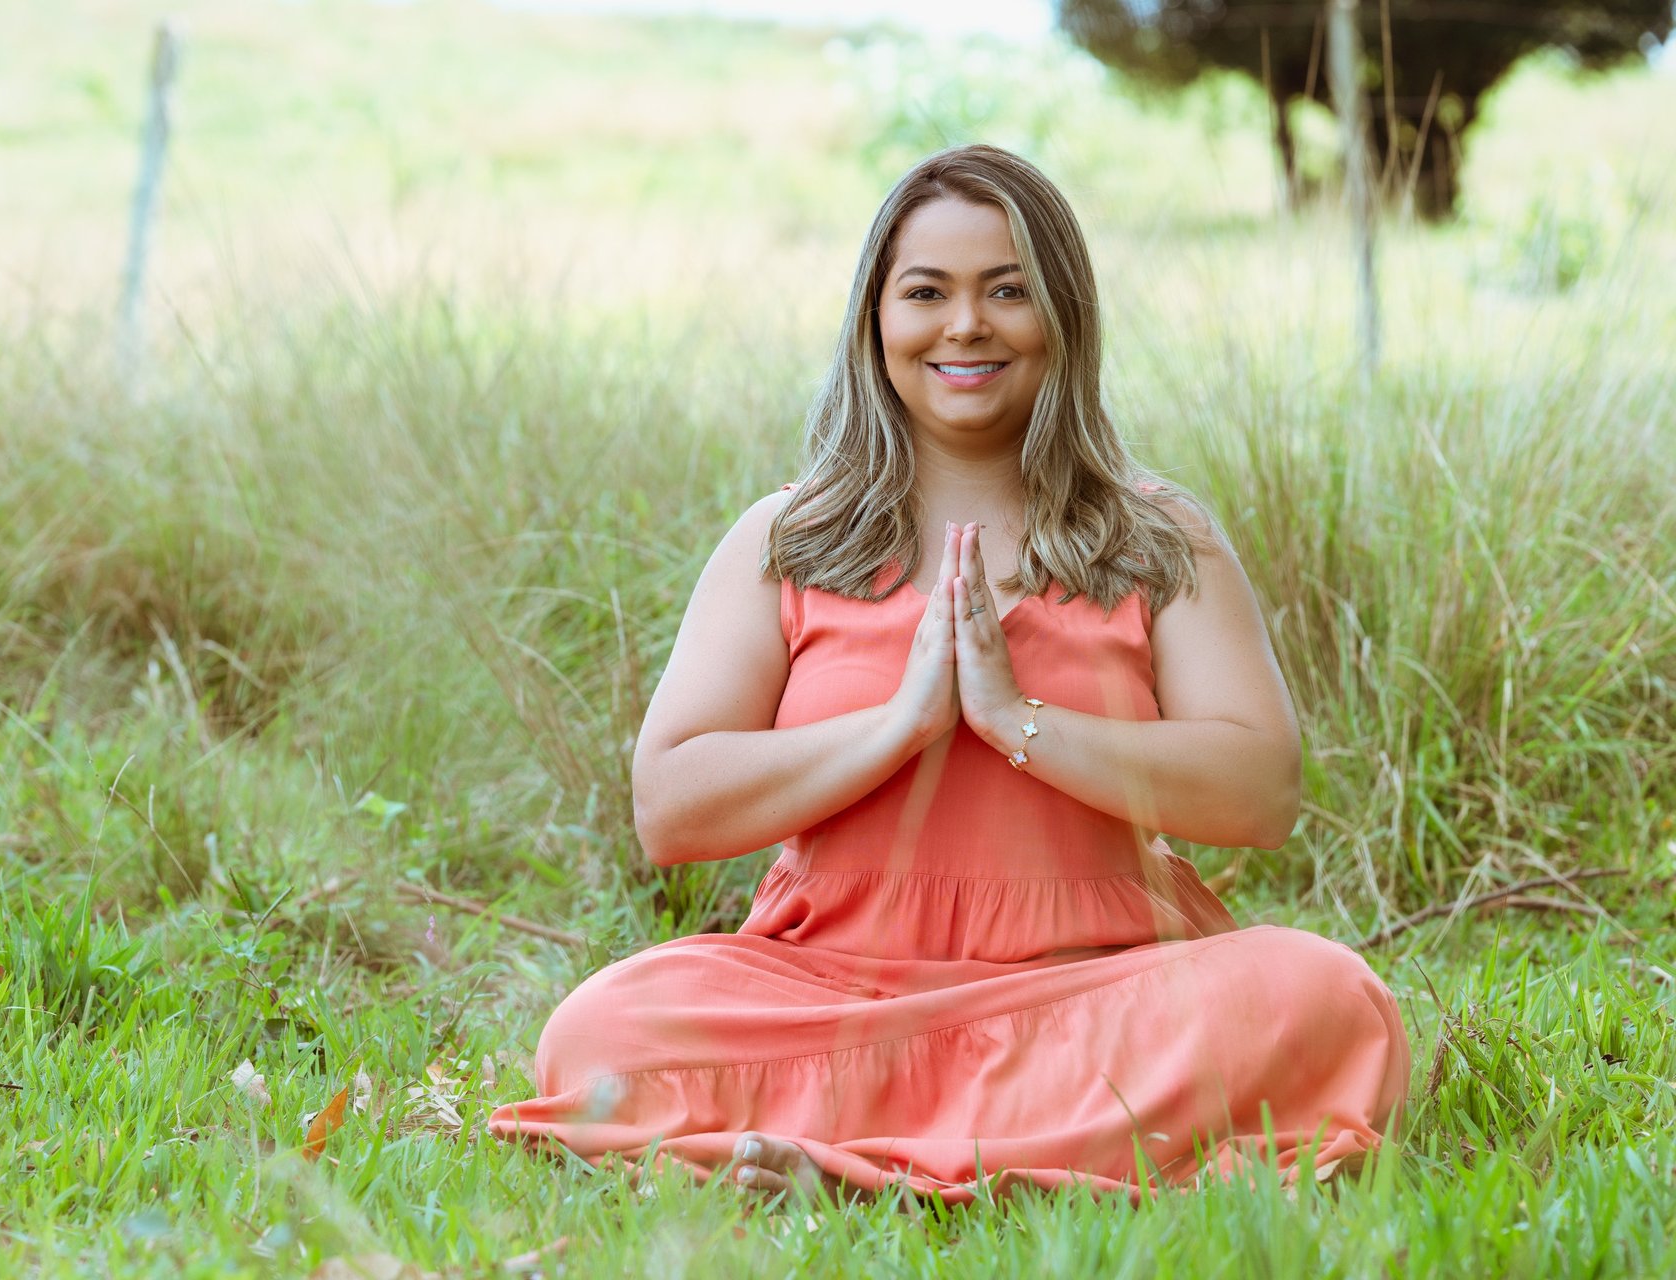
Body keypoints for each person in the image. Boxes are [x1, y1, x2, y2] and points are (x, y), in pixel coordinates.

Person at [488, 144, 1409, 1201]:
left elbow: (1261, 792)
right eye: (927, 292)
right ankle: (1021, 1152)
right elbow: (669, 806)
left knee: (1323, 994)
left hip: (1095, 995)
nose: (965, 325)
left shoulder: (1156, 536)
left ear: (1063, 314)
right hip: (839, 998)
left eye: (1007, 291)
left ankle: (850, 1156)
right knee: (602, 1030)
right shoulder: (788, 538)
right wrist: (901, 724)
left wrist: (1017, 719)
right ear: (876, 318)